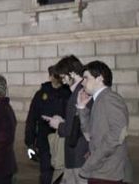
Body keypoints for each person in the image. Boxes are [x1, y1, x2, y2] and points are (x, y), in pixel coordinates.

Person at [76, 61, 133, 183]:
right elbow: (89, 135)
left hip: (107, 173)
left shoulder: (110, 99)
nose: (82, 82)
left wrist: (94, 159)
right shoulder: (100, 100)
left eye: (86, 78)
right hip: (99, 171)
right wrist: (81, 108)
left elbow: (117, 135)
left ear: (100, 78)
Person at [45, 56, 90, 184]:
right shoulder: (80, 92)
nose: (63, 82)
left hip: (77, 156)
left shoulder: (78, 94)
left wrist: (58, 125)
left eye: (64, 77)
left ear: (72, 73)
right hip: (78, 155)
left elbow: (71, 130)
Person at [25, 66, 71, 184]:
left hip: (62, 140)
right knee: (46, 173)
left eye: (58, 76)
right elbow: (32, 118)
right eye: (54, 75)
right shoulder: (40, 94)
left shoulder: (68, 93)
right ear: (50, 76)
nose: (57, 78)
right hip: (44, 141)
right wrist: (30, 142)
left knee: (61, 173)